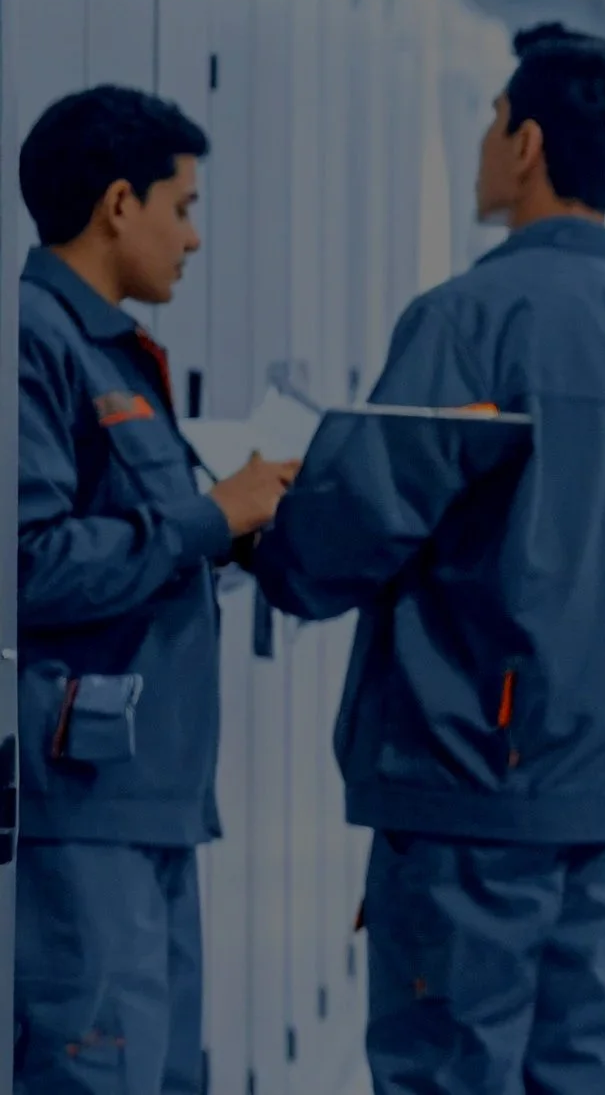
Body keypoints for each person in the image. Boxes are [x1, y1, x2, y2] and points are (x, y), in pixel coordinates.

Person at [251, 22, 605, 1095]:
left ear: (524, 142)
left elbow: (345, 531)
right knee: (572, 1066)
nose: (482, 141)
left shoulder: (468, 322)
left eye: (488, 120)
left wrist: (259, 531)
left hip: (465, 785)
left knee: (450, 1068)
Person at [14, 87, 299, 1095]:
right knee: (96, 1072)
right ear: (118, 203)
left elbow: (134, 545)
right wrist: (207, 517)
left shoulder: (110, 352)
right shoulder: (34, 339)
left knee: (159, 1071)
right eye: (183, 207)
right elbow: (27, 561)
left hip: (147, 794)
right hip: (80, 799)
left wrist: (231, 524)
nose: (194, 238)